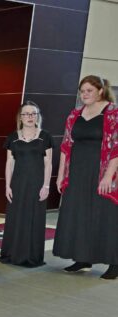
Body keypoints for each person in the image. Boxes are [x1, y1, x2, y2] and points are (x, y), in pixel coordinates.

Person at [54, 75, 118, 280]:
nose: (84, 94)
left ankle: (115, 262)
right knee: (79, 214)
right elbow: (66, 145)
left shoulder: (113, 113)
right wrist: (61, 174)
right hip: (77, 172)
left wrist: (108, 176)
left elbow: (116, 147)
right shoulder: (75, 114)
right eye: (82, 91)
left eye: (89, 90)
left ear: (100, 91)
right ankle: (83, 258)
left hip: (101, 172)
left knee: (106, 216)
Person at [0, 102, 53, 267]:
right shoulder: (13, 137)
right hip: (18, 184)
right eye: (26, 114)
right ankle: (12, 253)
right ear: (20, 117)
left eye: (33, 113)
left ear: (37, 116)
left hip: (37, 184)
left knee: (34, 219)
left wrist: (46, 186)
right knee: (15, 218)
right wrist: (7, 186)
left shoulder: (45, 136)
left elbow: (48, 163)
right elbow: (9, 163)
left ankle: (32, 256)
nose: (30, 117)